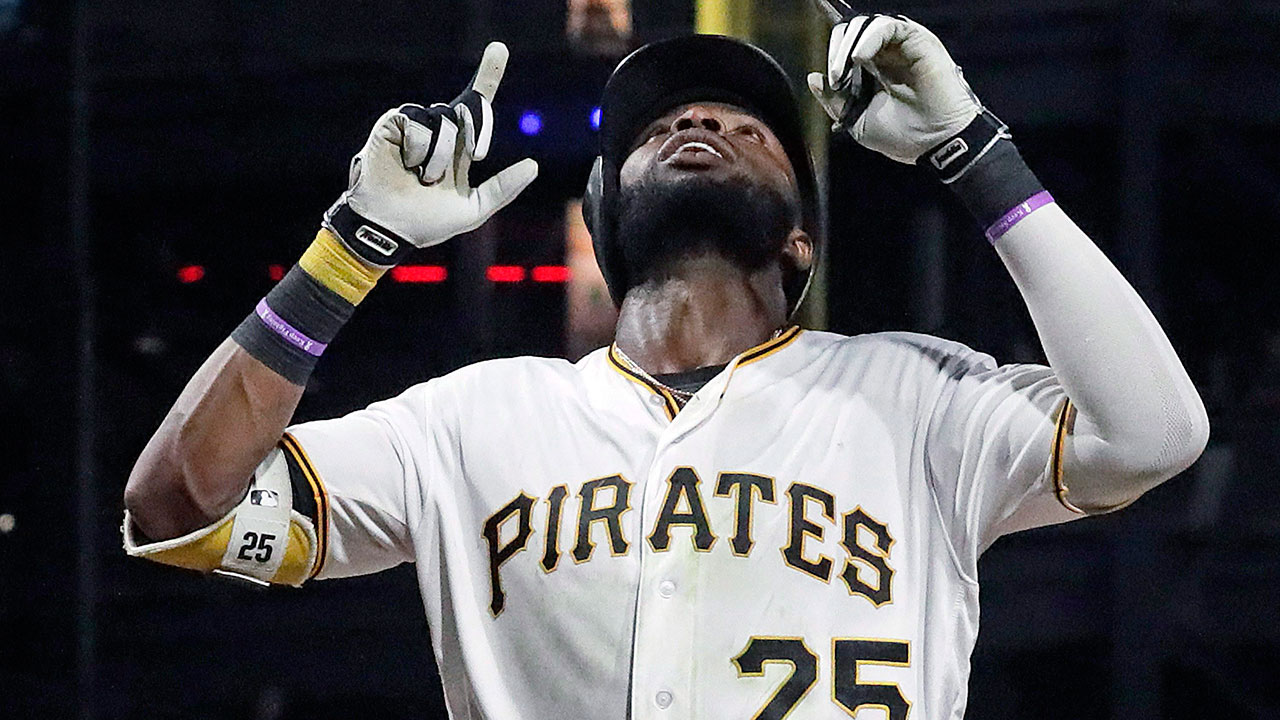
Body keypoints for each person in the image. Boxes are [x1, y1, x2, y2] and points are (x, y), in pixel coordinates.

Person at [123, 16, 1209, 719]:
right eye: (662, 125)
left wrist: (971, 147)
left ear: (800, 242)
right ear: (602, 223)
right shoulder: (469, 420)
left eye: (747, 127)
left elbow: (1153, 433)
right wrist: (350, 247)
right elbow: (178, 507)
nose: (698, 120)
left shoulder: (918, 397)